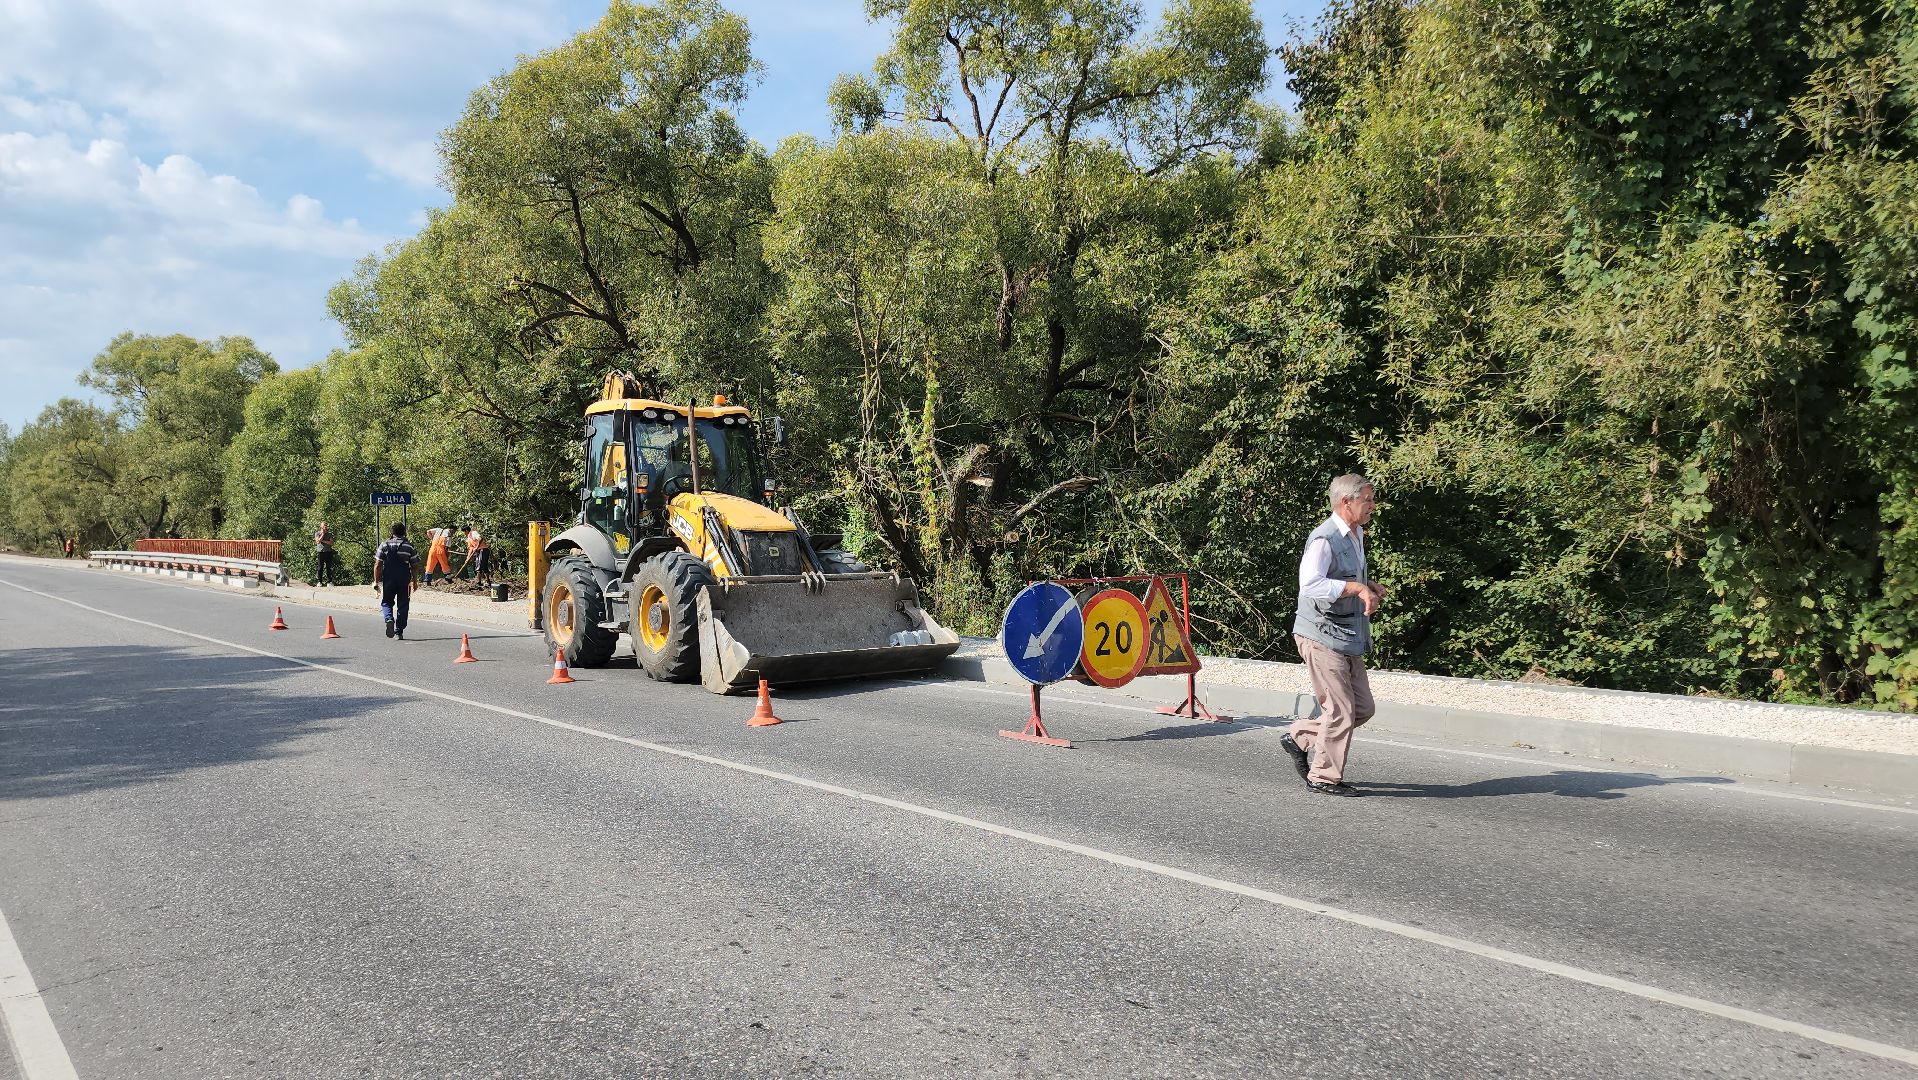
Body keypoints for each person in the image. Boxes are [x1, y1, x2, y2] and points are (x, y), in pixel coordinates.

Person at [1281, 474, 1385, 797]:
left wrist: (1369, 587)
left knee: (1362, 707)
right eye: (1366, 499)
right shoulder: (1324, 539)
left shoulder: (1357, 534)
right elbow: (1310, 584)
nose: (1372, 505)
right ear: (1346, 503)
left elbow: (1345, 578)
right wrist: (1356, 588)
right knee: (1340, 709)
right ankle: (1323, 777)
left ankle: (1299, 736)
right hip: (1321, 634)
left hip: (1346, 635)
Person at [372, 522, 418, 640]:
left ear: (392, 532)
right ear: (404, 532)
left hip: (389, 579)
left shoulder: (384, 545)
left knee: (386, 602)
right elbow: (414, 565)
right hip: (404, 580)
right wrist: (415, 580)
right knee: (403, 604)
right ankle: (399, 631)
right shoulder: (409, 546)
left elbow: (378, 565)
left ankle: (388, 619)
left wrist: (376, 582)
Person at [313, 521, 337, 586]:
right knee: (320, 567)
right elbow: (318, 541)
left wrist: (323, 541)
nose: (325, 526)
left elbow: (331, 543)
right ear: (320, 526)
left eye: (326, 525)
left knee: (329, 567)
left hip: (328, 552)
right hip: (320, 552)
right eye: (323, 525)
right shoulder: (317, 533)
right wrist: (323, 534)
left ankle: (329, 581)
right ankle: (319, 582)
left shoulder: (329, 534)